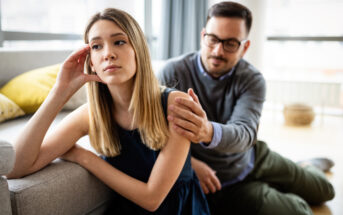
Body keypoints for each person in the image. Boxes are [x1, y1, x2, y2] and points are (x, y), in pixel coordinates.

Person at [6, 8, 210, 214]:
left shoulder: (176, 103)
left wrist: (84, 157)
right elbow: (14, 168)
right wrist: (60, 91)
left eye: (119, 42)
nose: (108, 54)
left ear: (138, 50)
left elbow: (152, 198)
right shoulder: (91, 114)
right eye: (96, 46)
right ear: (91, 62)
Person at [158, 1, 335, 215]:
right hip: (228, 183)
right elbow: (153, 134)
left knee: (325, 191)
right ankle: (273, 188)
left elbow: (245, 132)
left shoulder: (252, 79)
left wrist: (207, 131)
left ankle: (306, 165)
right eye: (213, 39)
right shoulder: (171, 73)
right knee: (301, 212)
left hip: (253, 157)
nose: (218, 50)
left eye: (230, 43)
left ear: (245, 47)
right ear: (203, 35)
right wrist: (191, 165)